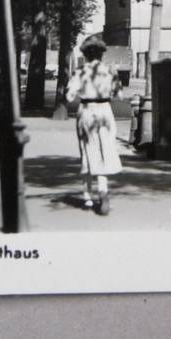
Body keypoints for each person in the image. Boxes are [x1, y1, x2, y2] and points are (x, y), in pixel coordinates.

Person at [64, 34, 123, 215]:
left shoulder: (80, 72)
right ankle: (103, 190)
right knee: (105, 149)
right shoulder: (110, 71)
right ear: (101, 53)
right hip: (105, 111)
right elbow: (119, 96)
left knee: (87, 150)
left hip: (87, 111)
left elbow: (69, 97)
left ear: (86, 54)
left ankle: (87, 195)